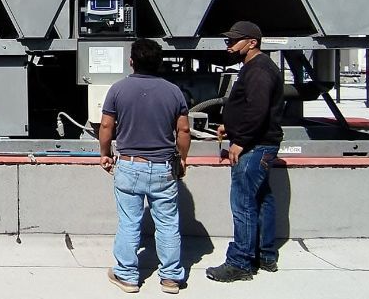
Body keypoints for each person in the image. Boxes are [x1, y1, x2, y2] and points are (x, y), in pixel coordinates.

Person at [99, 38, 191, 294]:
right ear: (159, 62)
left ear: (131, 62)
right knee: (168, 223)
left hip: (129, 165)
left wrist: (104, 154)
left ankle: (127, 276)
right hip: (163, 166)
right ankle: (171, 278)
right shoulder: (173, 91)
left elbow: (107, 126)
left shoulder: (118, 89)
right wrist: (182, 158)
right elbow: (183, 129)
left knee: (129, 222)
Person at [206, 21, 285, 283]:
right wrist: (230, 125)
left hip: (254, 146)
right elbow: (251, 107)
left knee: (243, 204)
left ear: (252, 42)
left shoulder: (259, 70)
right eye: (227, 40)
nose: (228, 45)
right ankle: (265, 256)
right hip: (259, 143)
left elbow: (258, 109)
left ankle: (240, 262)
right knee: (261, 199)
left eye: (233, 41)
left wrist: (241, 141)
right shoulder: (255, 67)